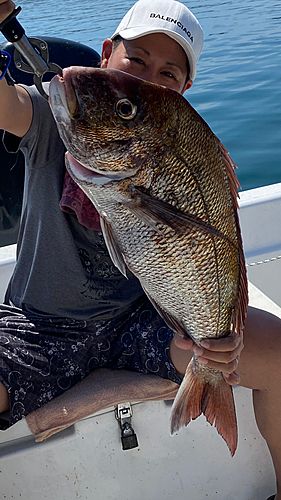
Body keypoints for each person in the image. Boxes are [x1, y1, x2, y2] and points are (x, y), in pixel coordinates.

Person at [0, 1, 280, 498]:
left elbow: (210, 248)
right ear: (107, 54)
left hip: (143, 319)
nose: (152, 76)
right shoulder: (49, 119)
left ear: (184, 91)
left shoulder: (182, 150)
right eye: (137, 60)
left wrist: (220, 337)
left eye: (168, 72)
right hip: (43, 327)